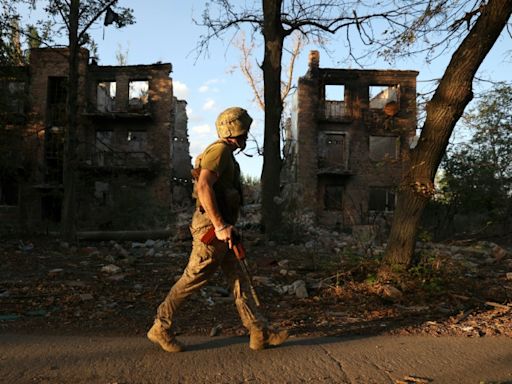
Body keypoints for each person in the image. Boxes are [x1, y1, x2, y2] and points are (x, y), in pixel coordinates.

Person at [147, 107, 288, 352]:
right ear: (237, 130)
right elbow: (203, 187)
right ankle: (161, 327)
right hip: (212, 231)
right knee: (193, 278)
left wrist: (227, 226)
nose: (247, 135)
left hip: (224, 229)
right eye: (245, 130)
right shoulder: (220, 151)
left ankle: (259, 331)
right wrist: (220, 225)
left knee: (240, 279)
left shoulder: (226, 154)